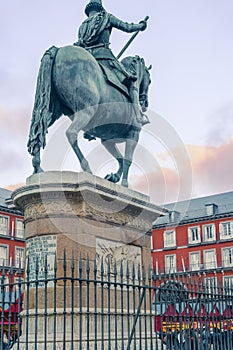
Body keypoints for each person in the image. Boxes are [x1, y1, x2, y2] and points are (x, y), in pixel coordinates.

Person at [74, 0, 149, 125]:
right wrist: (140, 26)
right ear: (100, 8)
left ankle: (89, 129)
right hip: (105, 58)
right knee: (131, 81)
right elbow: (127, 27)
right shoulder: (106, 17)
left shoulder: (82, 26)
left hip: (90, 60)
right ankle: (138, 115)